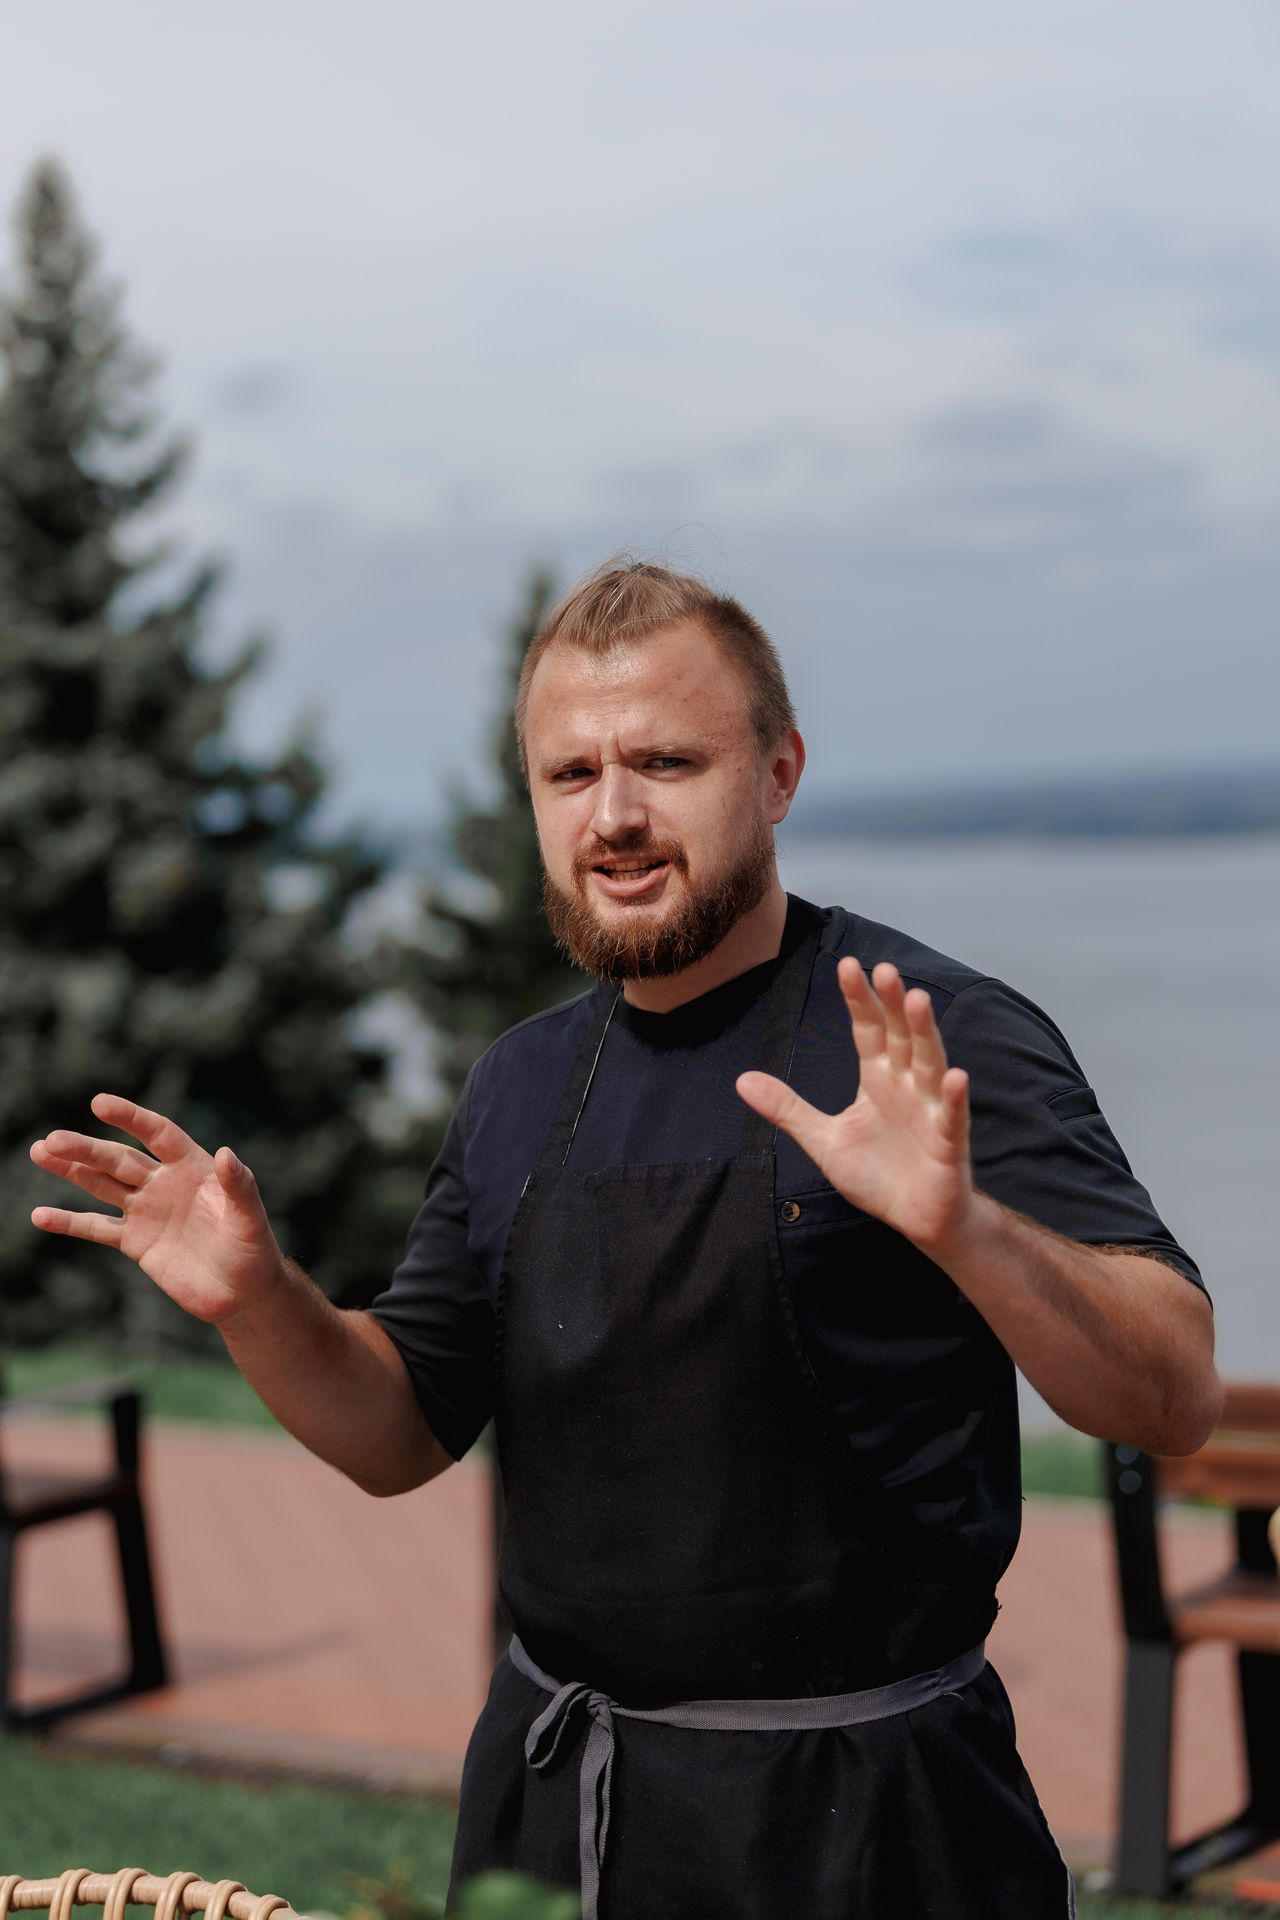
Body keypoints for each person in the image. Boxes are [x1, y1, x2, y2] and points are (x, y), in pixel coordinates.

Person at [30, 562, 1220, 1920]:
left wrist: (968, 1230)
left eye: (666, 761)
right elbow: (397, 1432)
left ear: (779, 774)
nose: (615, 816)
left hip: (875, 1830)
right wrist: (258, 1300)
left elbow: (1174, 1390)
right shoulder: (519, 1083)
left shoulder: (928, 1033)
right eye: (571, 773)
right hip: (557, 1818)